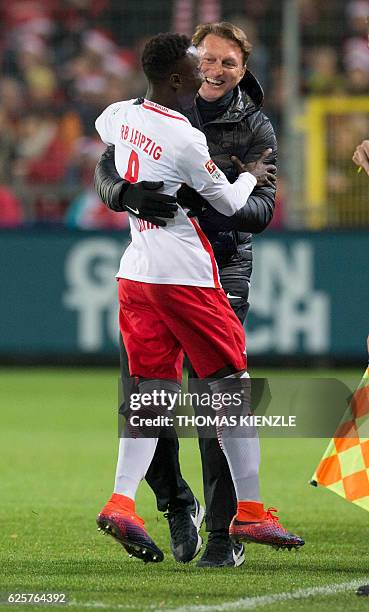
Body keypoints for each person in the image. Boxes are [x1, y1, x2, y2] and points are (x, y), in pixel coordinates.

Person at [95, 23, 303, 567]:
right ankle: (251, 511)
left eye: (222, 62)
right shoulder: (186, 135)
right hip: (188, 275)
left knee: (150, 393)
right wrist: (249, 177)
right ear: (178, 77)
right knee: (230, 389)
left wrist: (132, 183)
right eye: (199, 62)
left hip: (136, 272)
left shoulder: (120, 113)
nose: (208, 70)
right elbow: (235, 202)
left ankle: (123, 502)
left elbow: (107, 135)